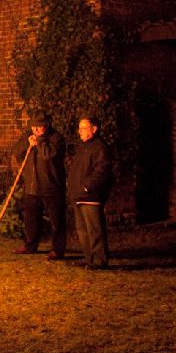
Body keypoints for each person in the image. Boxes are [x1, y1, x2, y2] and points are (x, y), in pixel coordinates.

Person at [12, 113, 67, 259]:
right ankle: (30, 245)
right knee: (30, 219)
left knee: (57, 221)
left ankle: (57, 249)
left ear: (47, 125)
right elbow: (16, 152)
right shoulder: (29, 137)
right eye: (33, 126)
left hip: (51, 186)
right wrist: (26, 143)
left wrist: (40, 141)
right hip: (32, 186)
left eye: (39, 126)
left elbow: (48, 155)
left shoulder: (56, 139)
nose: (35, 129)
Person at [67, 116, 113, 270]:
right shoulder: (84, 147)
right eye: (79, 128)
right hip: (79, 195)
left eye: (84, 128)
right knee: (83, 230)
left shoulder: (100, 147)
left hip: (90, 196)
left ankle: (99, 260)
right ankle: (89, 258)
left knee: (94, 230)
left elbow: (102, 170)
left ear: (94, 129)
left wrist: (88, 186)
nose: (80, 131)